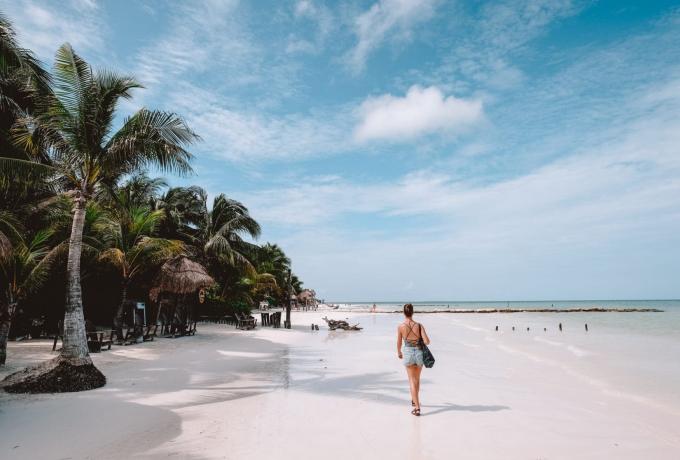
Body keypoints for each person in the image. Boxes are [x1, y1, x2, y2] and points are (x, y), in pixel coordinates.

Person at [396, 303, 430, 416]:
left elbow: (399, 342)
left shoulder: (401, 326)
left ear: (404, 313)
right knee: (417, 379)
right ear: (412, 312)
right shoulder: (419, 326)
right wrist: (418, 341)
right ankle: (414, 400)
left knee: (411, 380)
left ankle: (417, 407)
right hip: (419, 352)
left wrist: (399, 352)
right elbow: (427, 341)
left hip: (408, 353)